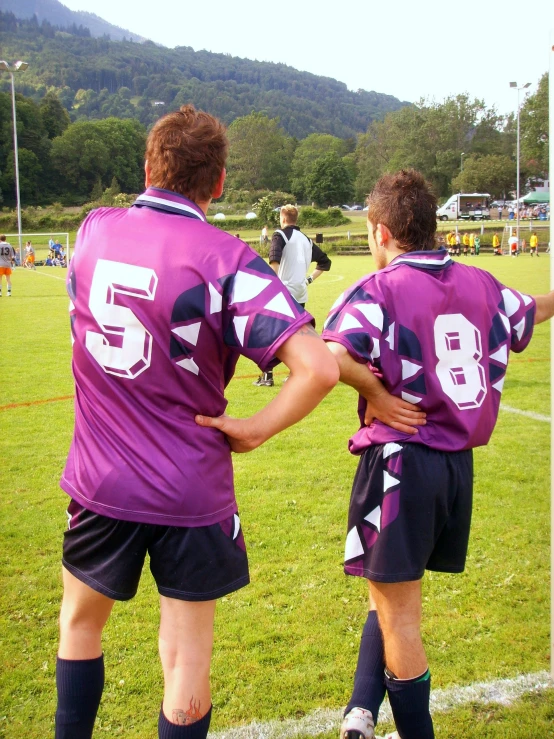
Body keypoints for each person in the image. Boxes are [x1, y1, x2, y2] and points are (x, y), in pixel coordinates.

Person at [54, 104, 339, 739]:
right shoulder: (230, 259)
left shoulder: (94, 231)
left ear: (147, 166)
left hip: (101, 481)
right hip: (191, 487)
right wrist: (257, 427)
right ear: (219, 183)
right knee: (185, 659)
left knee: (79, 624)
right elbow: (317, 369)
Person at [321, 169, 554, 739]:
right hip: (456, 467)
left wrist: (375, 393)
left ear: (380, 232)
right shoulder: (482, 282)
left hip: (403, 462)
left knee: (398, 611)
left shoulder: (378, 290)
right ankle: (360, 709)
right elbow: (532, 312)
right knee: (393, 589)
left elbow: (331, 355)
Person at [253, 204, 332, 387]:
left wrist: (268, 289)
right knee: (297, 335)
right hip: (300, 293)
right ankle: (295, 373)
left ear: (282, 219)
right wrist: (308, 280)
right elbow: (325, 262)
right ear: (296, 219)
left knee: (270, 334)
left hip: (282, 292)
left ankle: (267, 376)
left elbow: (274, 262)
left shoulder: (279, 235)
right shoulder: (306, 240)